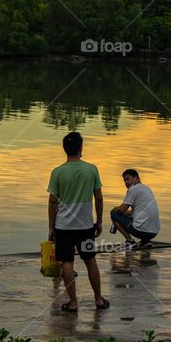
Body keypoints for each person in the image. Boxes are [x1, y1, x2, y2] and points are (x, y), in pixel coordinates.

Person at [47, 131, 109, 313]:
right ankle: (98, 299)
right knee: (90, 260)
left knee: (67, 262)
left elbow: (52, 202)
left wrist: (51, 227)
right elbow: (98, 198)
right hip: (85, 226)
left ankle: (73, 303)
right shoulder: (91, 169)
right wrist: (99, 221)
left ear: (64, 149)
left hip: (63, 226)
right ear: (81, 148)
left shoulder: (57, 172)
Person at [110, 169, 160, 249]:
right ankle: (145, 242)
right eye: (124, 180)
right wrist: (123, 214)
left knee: (114, 214)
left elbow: (122, 209)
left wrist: (115, 208)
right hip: (153, 232)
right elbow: (137, 211)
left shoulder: (133, 189)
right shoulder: (147, 189)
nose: (126, 182)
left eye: (128, 179)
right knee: (127, 215)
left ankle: (130, 241)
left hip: (141, 231)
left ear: (136, 178)